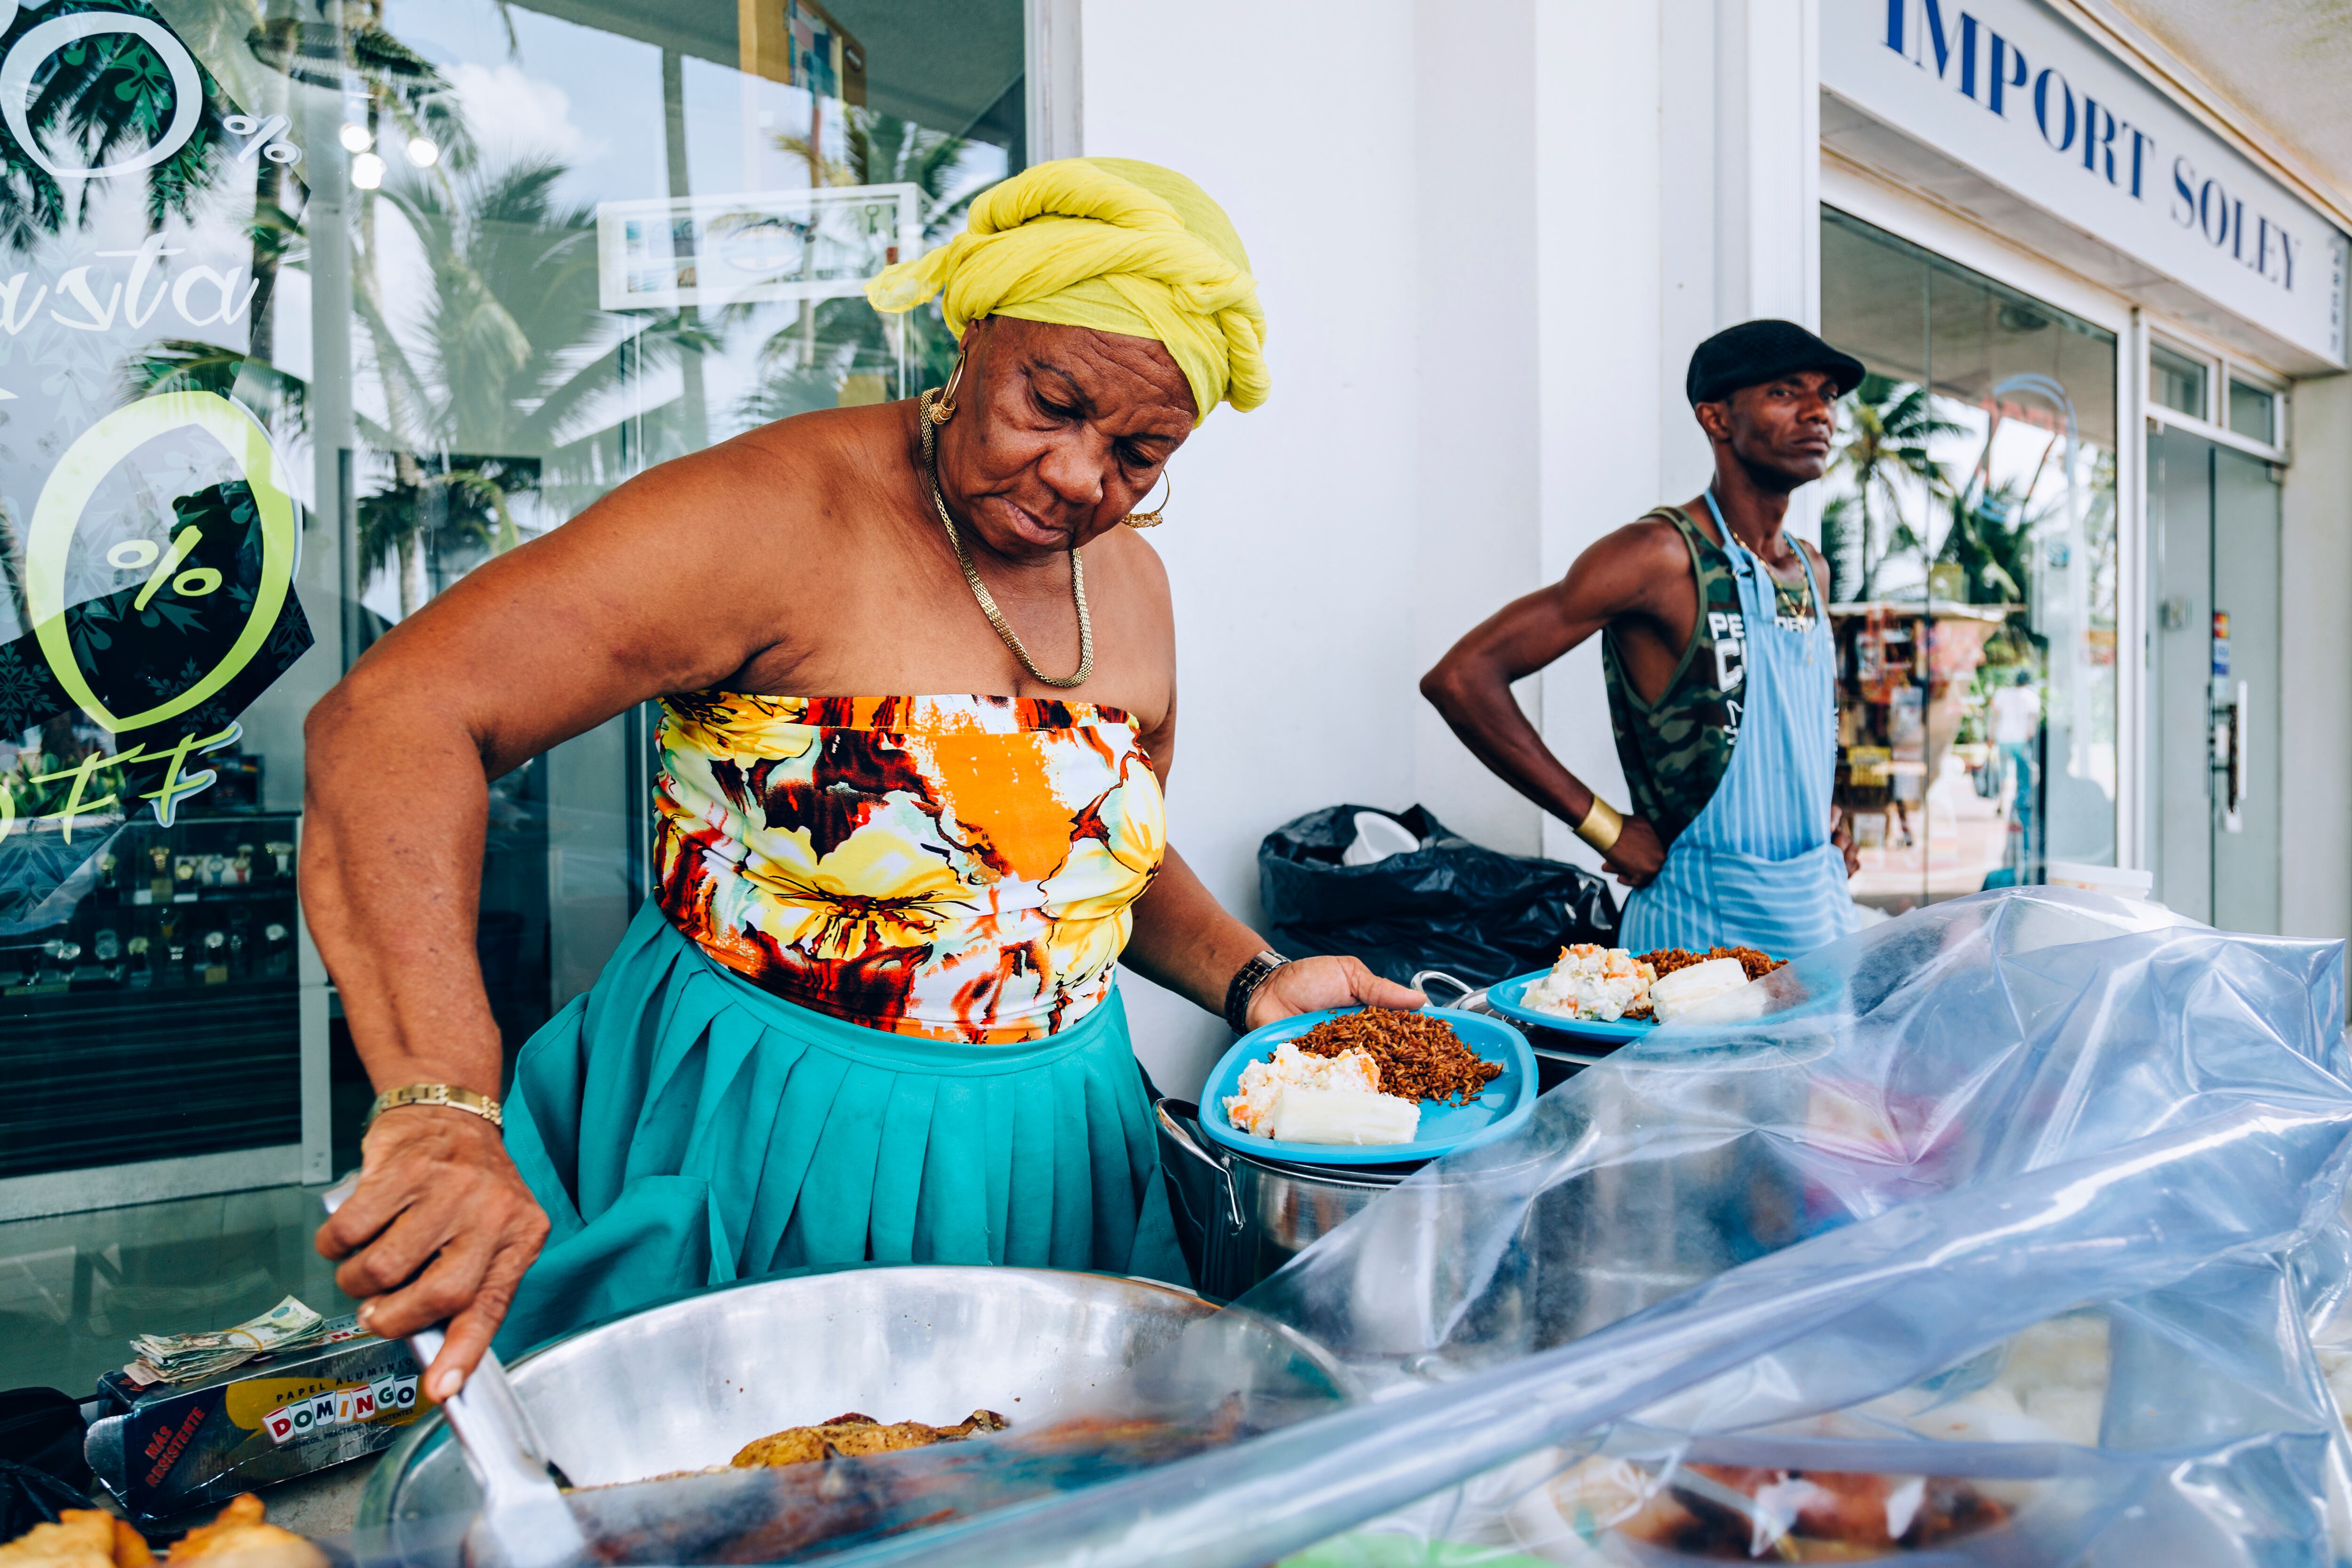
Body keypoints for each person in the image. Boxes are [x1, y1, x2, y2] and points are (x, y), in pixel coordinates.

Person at [303, 157, 1421, 1403]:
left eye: (1139, 454)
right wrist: (444, 1099)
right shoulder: (774, 516)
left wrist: (1257, 975)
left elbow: (1068, 853)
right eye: (1050, 403)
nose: (1077, 477)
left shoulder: (1135, 587)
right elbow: (399, 715)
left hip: (1057, 1158)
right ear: (977, 328)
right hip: (774, 1141)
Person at [1420, 319, 1866, 958]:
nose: (1818, 412)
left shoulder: (1811, 570)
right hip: (1697, 942)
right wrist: (1604, 827)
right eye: (1786, 393)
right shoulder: (1660, 557)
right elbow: (1462, 679)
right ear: (1716, 418)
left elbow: (1797, 734)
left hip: (1818, 923)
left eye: (1826, 395)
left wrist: (1826, 820)